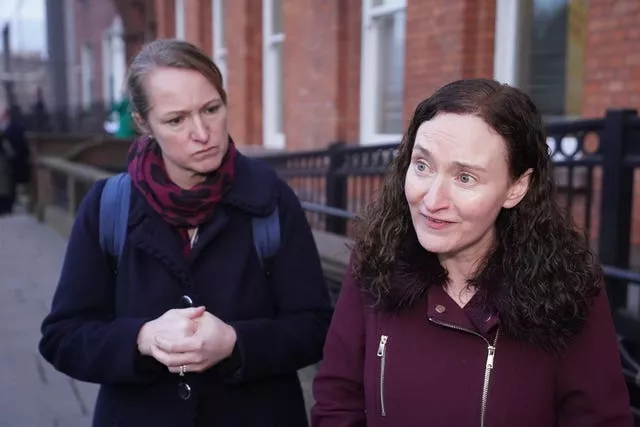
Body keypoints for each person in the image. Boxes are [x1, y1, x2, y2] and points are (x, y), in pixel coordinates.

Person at [39, 39, 332, 427]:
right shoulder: (107, 206)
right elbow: (63, 337)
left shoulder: (272, 198)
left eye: (211, 109)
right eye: (176, 120)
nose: (202, 133)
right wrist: (141, 339)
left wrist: (234, 343)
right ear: (144, 125)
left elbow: (316, 327)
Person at [311, 78, 632, 427]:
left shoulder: (569, 291)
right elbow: (337, 402)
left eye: (465, 178)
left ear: (516, 187)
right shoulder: (375, 262)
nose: (432, 200)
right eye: (422, 166)